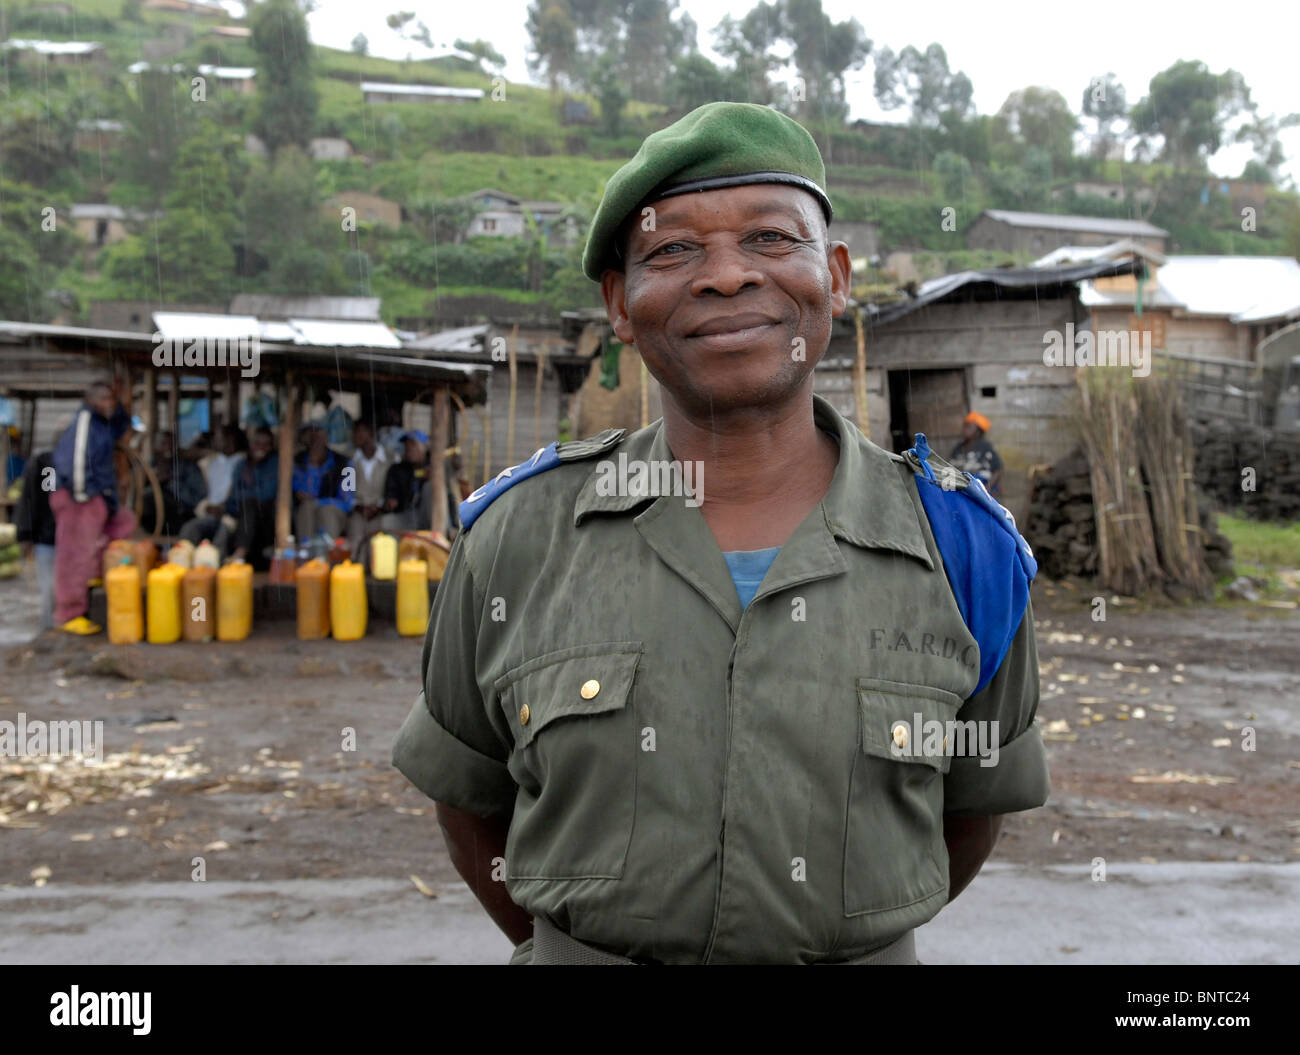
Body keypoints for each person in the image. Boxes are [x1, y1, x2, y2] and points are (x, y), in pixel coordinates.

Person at [391, 102, 1049, 965]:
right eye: (674, 250)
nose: (729, 277)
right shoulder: (518, 538)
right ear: (621, 304)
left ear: (838, 276)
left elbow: (970, 811)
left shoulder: (963, 547)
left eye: (773, 240)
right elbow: (468, 804)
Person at [49, 380, 136, 633]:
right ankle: (69, 613)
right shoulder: (85, 422)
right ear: (91, 400)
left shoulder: (104, 425)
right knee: (74, 555)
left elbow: (121, 426)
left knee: (123, 524)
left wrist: (118, 407)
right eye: (104, 400)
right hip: (79, 496)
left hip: (98, 495)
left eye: (111, 399)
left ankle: (96, 572)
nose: (108, 404)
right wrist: (82, 495)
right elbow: (74, 461)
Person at [180, 424, 247, 554]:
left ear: (230, 439)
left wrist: (225, 507)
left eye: (218, 437)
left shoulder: (243, 463)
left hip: (231, 514)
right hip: (209, 511)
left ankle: (214, 567)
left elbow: (241, 494)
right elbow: (186, 452)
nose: (215, 441)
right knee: (189, 529)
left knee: (222, 535)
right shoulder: (209, 462)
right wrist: (206, 506)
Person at [223, 426, 279, 570]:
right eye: (257, 443)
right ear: (250, 444)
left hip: (268, 520)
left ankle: (240, 553)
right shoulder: (241, 466)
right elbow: (233, 500)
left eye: (266, 444)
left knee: (249, 505)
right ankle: (214, 563)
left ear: (271, 446)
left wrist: (246, 495)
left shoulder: (275, 464)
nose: (261, 447)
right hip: (243, 518)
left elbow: (266, 495)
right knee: (222, 525)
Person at [14, 449, 56, 630]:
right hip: (52, 538)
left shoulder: (40, 462)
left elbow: (28, 499)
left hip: (46, 538)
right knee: (51, 588)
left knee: (49, 588)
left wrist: (26, 535)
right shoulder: (44, 462)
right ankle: (50, 628)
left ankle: (50, 627)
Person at [293, 423, 354, 544]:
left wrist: (319, 502)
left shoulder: (345, 462)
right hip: (307, 510)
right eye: (312, 438)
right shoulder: (299, 461)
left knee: (326, 511)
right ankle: (307, 553)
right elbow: (304, 494)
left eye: (319, 437)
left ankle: (326, 556)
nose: (315, 441)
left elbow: (348, 502)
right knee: (306, 508)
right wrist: (313, 466)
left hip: (334, 511)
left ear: (326, 438)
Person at [146, 429, 207, 537]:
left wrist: (171, 482)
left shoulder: (188, 467)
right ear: (155, 447)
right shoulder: (148, 468)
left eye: (171, 444)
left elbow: (196, 499)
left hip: (181, 516)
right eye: (163, 444)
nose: (167, 448)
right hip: (152, 521)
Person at [345, 420, 390, 553]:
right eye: (354, 432)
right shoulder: (350, 460)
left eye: (359, 431)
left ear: (370, 433)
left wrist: (379, 506)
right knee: (355, 536)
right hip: (358, 511)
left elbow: (393, 489)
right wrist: (359, 506)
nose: (354, 436)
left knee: (379, 546)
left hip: (381, 511)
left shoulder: (390, 459)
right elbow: (347, 490)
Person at [380, 430, 430, 533]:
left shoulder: (434, 467)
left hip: (428, 515)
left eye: (413, 444)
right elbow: (391, 494)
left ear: (424, 447)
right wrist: (391, 501)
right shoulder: (397, 469)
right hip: (407, 515)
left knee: (429, 487)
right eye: (406, 445)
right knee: (386, 521)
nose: (408, 448)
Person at [949, 412, 1003, 496]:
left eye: (969, 427)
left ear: (978, 432)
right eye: (965, 426)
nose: (964, 429)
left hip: (980, 487)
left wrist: (986, 489)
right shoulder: (958, 448)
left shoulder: (985, 448)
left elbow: (998, 470)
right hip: (961, 488)